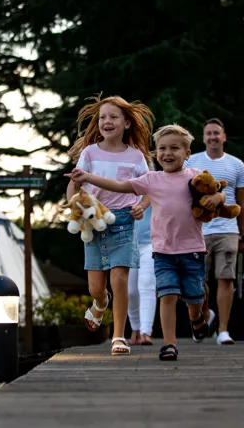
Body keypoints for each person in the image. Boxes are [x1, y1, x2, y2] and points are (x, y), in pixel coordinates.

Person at [67, 124, 226, 361]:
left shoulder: (194, 176)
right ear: (156, 153)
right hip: (162, 251)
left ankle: (196, 316)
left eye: (174, 148)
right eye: (162, 148)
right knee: (167, 296)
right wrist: (88, 177)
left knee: (194, 297)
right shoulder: (151, 179)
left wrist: (217, 197)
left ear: (187, 153)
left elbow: (220, 191)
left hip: (192, 250)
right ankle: (170, 344)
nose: (167, 153)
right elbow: (120, 186)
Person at [66, 93, 154, 355]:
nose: (107, 121)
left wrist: (141, 205)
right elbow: (74, 184)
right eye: (102, 117)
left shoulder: (137, 157)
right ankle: (100, 303)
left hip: (124, 222)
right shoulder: (90, 153)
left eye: (113, 117)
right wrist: (74, 205)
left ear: (127, 123)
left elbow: (149, 188)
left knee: (120, 280)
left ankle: (119, 336)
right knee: (96, 287)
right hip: (93, 223)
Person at [184, 118, 244, 345]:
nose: (212, 137)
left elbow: (243, 202)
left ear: (224, 137)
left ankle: (223, 330)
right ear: (203, 138)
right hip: (198, 229)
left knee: (225, 278)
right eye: (208, 133)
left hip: (227, 229)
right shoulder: (191, 162)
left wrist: (243, 234)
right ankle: (205, 314)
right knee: (197, 279)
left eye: (216, 133)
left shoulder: (237, 165)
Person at [128, 200, 156, 346]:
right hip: (128, 243)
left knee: (147, 286)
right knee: (130, 291)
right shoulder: (124, 184)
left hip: (151, 242)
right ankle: (135, 328)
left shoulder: (153, 179)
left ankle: (145, 332)